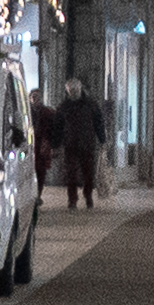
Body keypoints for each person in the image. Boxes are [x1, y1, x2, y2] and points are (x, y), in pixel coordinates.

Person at [58, 77, 106, 209]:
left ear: (80, 89)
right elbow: (58, 125)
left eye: (75, 90)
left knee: (88, 173)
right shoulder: (64, 107)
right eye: (71, 90)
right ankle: (72, 199)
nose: (73, 92)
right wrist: (57, 143)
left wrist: (102, 139)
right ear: (67, 91)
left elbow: (98, 122)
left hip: (87, 143)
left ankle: (88, 196)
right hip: (70, 144)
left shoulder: (90, 105)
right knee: (71, 173)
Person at [28, 87, 57, 203]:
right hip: (31, 144)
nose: (35, 100)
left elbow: (53, 129)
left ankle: (38, 194)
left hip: (42, 144)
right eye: (33, 97)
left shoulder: (47, 112)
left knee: (41, 171)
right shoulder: (27, 112)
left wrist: (51, 144)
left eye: (37, 97)